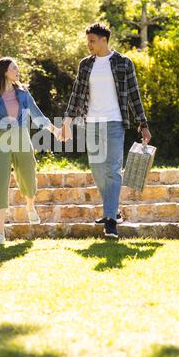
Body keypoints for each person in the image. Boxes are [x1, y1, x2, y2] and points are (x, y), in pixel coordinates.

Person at [59, 23, 152, 239]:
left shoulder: (123, 63)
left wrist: (143, 123)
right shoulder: (85, 65)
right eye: (88, 41)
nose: (89, 45)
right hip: (91, 123)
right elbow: (76, 94)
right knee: (97, 169)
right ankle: (114, 210)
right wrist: (67, 121)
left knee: (112, 168)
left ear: (104, 40)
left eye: (92, 41)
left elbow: (134, 95)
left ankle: (110, 220)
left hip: (114, 122)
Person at [0, 57, 61, 245]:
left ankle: (30, 207)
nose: (17, 71)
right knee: (0, 183)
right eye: (14, 68)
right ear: (5, 71)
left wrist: (54, 130)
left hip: (22, 137)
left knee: (28, 172)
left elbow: (38, 115)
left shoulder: (23, 93)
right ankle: (0, 233)